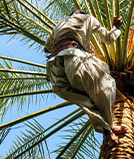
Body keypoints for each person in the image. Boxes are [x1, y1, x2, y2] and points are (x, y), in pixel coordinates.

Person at [45, 9, 127, 148]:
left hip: (55, 69)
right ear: (81, 14)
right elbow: (108, 38)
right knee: (105, 85)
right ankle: (109, 127)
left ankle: (107, 130)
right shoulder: (88, 18)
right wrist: (115, 27)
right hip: (74, 57)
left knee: (84, 100)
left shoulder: (59, 25)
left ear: (70, 15)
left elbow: (47, 48)